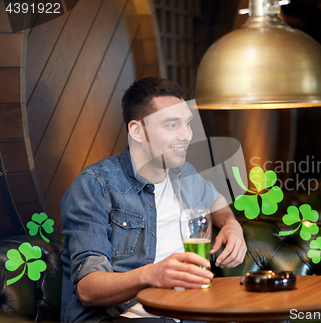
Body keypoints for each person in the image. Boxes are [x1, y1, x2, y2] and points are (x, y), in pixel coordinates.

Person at [60, 77, 247, 323]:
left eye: (187, 123)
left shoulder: (186, 174)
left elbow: (215, 200)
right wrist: (152, 275)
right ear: (137, 130)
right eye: (172, 125)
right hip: (124, 316)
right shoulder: (95, 185)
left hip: (190, 309)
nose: (187, 135)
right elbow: (88, 289)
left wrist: (232, 224)